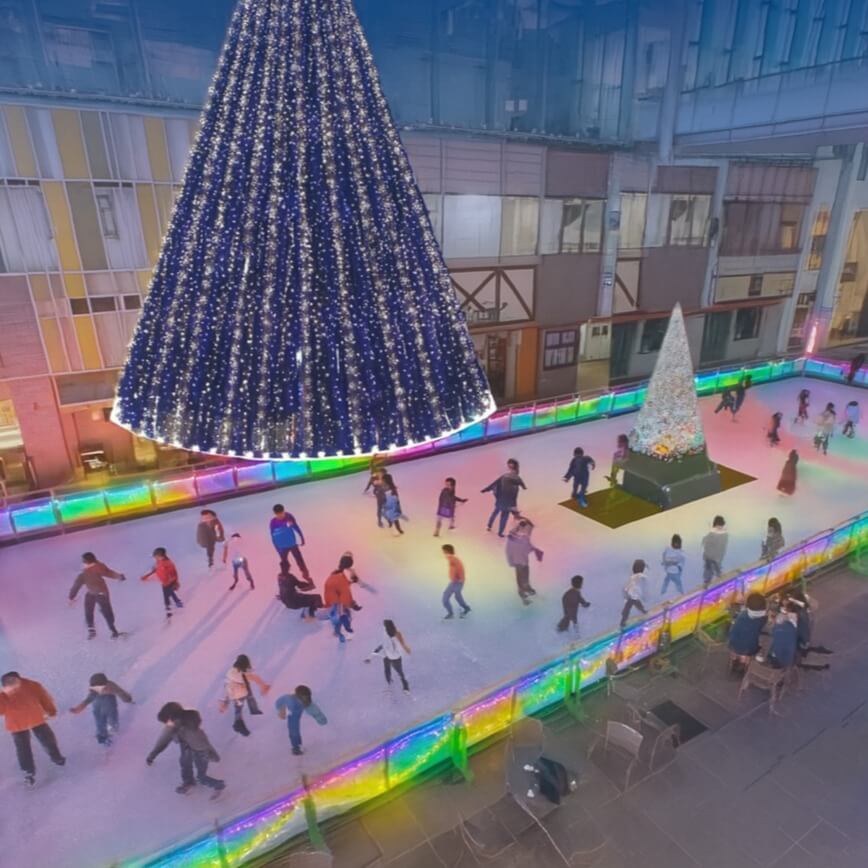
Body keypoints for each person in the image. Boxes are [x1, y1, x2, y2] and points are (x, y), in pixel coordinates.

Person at [0, 672, 65, 786]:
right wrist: (51, 710)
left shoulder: (32, 685)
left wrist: (51, 710)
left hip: (30, 720)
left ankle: (54, 759)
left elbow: (44, 697)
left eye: (11, 681)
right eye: (7, 683)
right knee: (28, 746)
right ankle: (30, 771)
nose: (10, 684)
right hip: (22, 722)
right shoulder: (6, 693)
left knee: (43, 741)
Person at [146, 703, 225, 796]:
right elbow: (162, 741)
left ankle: (218, 785)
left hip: (200, 751)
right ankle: (188, 781)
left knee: (201, 776)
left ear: (174, 717)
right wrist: (152, 756)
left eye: (167, 721)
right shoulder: (178, 725)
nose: (166, 724)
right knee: (185, 764)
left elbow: (203, 742)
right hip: (187, 747)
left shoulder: (187, 724)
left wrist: (211, 754)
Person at [68, 551, 126, 640]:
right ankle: (113, 631)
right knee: (106, 612)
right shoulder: (99, 566)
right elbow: (109, 573)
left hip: (95, 593)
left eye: (83, 561)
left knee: (89, 611)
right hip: (100, 593)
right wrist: (119, 576)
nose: (82, 562)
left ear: (86, 561)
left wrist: (71, 597)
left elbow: (76, 585)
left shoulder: (84, 574)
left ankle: (92, 630)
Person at [69, 673, 133, 746]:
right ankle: (103, 735)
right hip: (99, 704)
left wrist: (127, 699)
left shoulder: (110, 685)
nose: (96, 688)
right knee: (102, 720)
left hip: (107, 702)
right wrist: (78, 708)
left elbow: (120, 692)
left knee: (108, 718)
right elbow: (88, 700)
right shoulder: (97, 689)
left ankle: (110, 732)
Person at [220, 655, 270, 737]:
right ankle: (239, 723)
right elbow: (256, 678)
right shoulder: (245, 675)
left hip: (233, 694)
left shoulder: (230, 672)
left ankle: (240, 721)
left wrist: (225, 703)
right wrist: (263, 686)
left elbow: (227, 687)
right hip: (241, 693)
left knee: (238, 709)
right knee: (246, 698)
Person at [275, 685, 327, 756]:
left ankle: (297, 747)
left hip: (294, 707)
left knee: (310, 709)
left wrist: (321, 719)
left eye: (307, 699)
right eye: (304, 700)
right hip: (289, 707)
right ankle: (296, 747)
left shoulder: (307, 703)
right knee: (294, 728)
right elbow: (282, 708)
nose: (305, 702)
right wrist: (282, 711)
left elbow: (314, 709)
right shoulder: (290, 701)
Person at [482, 458, 526, 537]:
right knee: (500, 514)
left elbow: (496, 483)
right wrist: (487, 489)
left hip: (506, 499)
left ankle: (494, 528)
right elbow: (496, 483)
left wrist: (487, 489)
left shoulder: (511, 477)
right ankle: (492, 528)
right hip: (505, 499)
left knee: (500, 513)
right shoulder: (508, 476)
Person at [505, 516, 543, 604]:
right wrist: (535, 550)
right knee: (521, 575)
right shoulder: (522, 537)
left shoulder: (516, 535)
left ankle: (526, 587)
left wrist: (535, 549)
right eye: (529, 530)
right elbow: (525, 547)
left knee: (524, 573)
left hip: (520, 559)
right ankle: (522, 592)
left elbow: (526, 546)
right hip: (519, 560)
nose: (530, 532)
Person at [365, 620, 411, 692]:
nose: (384, 627)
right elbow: (383, 643)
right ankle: (389, 683)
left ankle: (405, 686)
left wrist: (407, 649)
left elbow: (402, 643)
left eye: (384, 626)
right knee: (387, 670)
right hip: (387, 655)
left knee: (400, 672)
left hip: (395, 657)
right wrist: (375, 651)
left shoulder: (397, 633)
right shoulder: (385, 632)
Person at [323, 554, 360, 642]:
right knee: (344, 617)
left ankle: (337, 632)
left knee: (337, 619)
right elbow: (345, 597)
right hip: (337, 604)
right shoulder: (342, 581)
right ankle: (344, 634)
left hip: (330, 600)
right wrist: (353, 604)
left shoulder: (334, 573)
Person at [727, 593, 768, 673]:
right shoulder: (762, 619)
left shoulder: (742, 617)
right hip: (750, 648)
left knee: (737, 647)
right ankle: (744, 664)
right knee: (749, 648)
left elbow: (732, 633)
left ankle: (735, 660)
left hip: (735, 645)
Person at [140, 547, 184, 620]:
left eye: (156, 556)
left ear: (161, 556)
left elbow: (174, 573)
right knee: (170, 593)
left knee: (166, 598)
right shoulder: (158, 561)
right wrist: (146, 576)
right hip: (164, 582)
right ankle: (178, 601)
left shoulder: (168, 563)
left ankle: (169, 612)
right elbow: (155, 570)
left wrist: (175, 583)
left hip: (169, 583)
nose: (155, 558)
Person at [270, 504, 311, 580]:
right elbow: (273, 536)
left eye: (281, 513)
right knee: (284, 562)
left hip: (292, 543)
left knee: (299, 559)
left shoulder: (289, 517)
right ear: (275, 514)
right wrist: (277, 549)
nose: (280, 516)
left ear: (284, 511)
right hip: (282, 546)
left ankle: (305, 573)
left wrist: (301, 537)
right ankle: (285, 576)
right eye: (278, 514)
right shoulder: (273, 523)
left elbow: (296, 527)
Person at [441, 543, 470, 619]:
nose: (442, 552)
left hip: (457, 582)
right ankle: (465, 608)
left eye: (443, 550)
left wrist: (459, 580)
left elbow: (458, 570)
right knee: (456, 596)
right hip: (456, 581)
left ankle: (451, 613)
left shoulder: (453, 560)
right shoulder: (451, 559)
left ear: (447, 551)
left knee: (446, 598)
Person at [767, 603, 800, 670]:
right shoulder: (792, 625)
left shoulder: (780, 629)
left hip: (780, 659)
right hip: (788, 656)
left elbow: (777, 648)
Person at [701, 516, 728, 588]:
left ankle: (708, 581)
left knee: (709, 569)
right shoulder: (724, 533)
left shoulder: (712, 533)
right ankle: (717, 576)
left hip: (710, 555)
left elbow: (704, 542)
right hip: (714, 556)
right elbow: (723, 546)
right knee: (713, 567)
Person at [620, 560, 648, 628]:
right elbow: (641, 578)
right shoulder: (640, 576)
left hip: (631, 594)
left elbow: (630, 584)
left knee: (635, 603)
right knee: (629, 607)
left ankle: (643, 611)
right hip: (631, 595)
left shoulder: (633, 576)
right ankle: (623, 621)